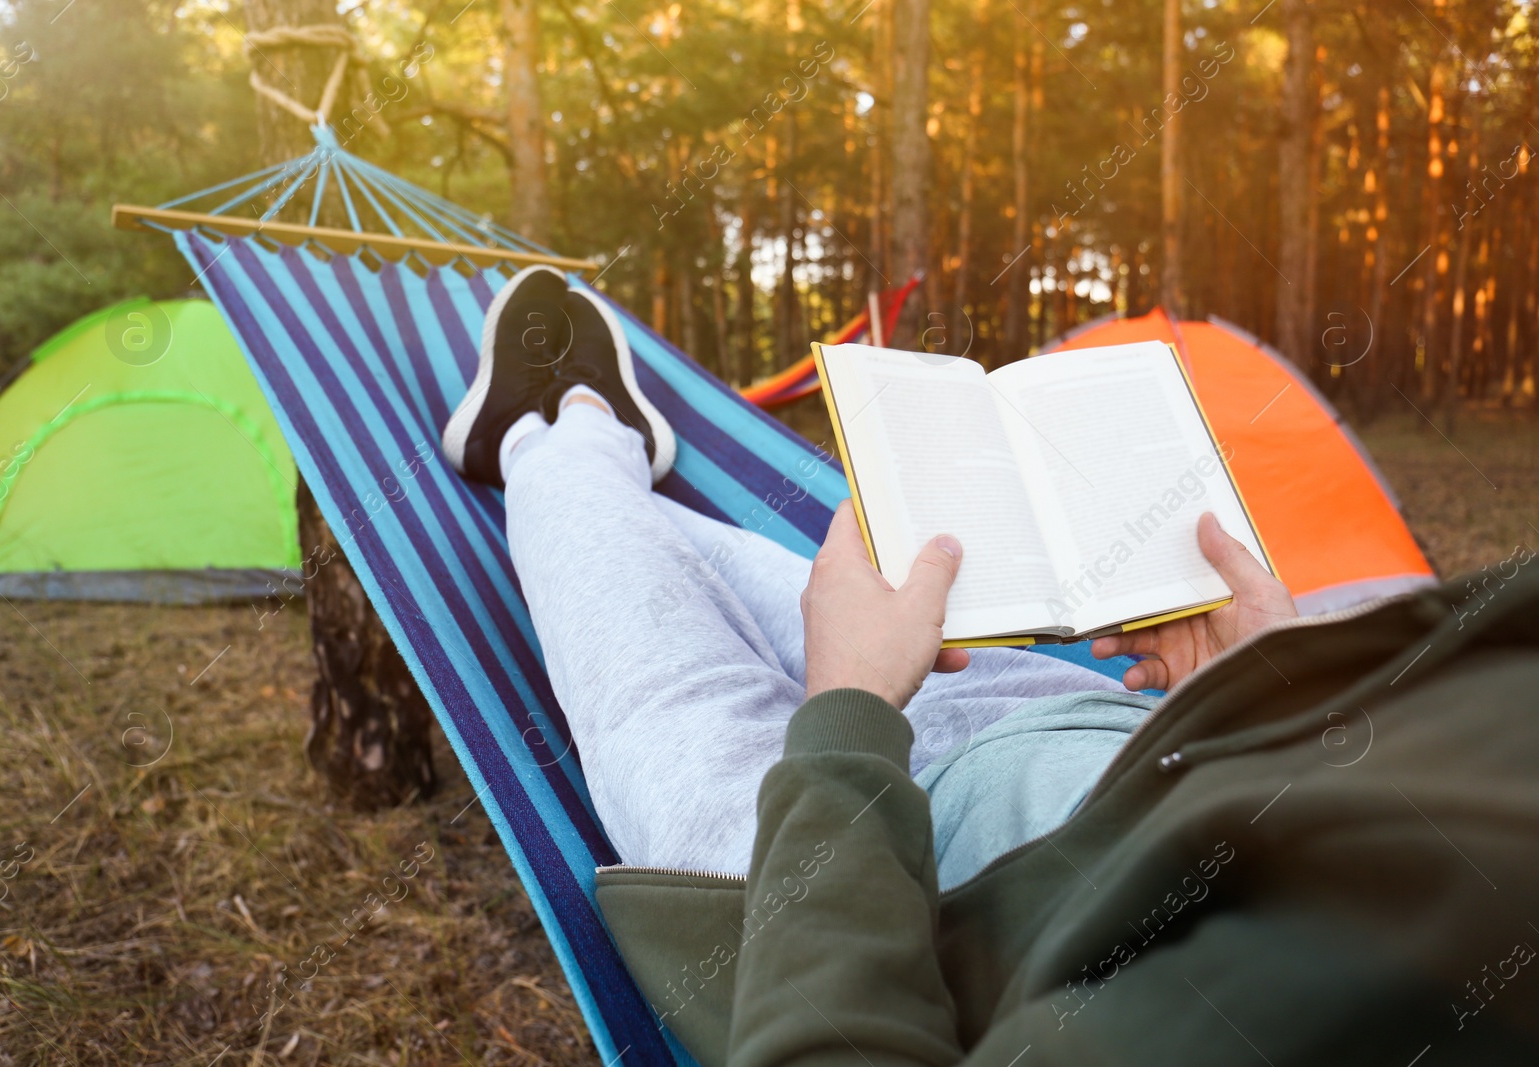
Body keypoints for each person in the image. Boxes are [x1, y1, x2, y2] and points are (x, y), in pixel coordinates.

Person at [446, 266, 1539, 1065]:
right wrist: (1292, 702)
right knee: (842, 592)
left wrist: (848, 715)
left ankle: (561, 436)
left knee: (664, 678)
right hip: (1126, 735)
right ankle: (614, 463)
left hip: (883, 884)